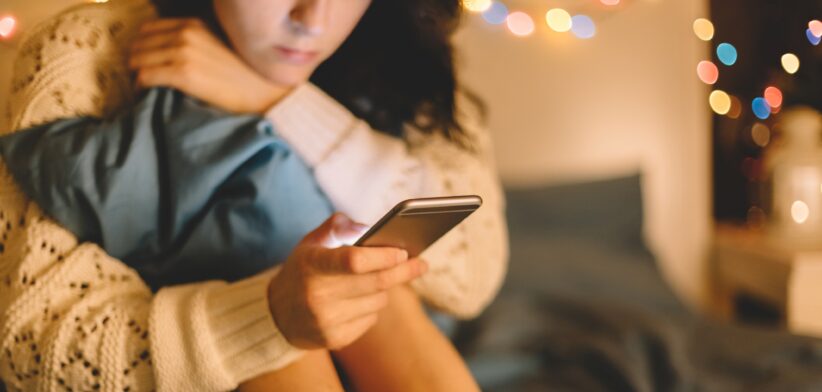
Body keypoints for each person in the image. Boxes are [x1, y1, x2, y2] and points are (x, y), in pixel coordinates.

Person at [0, 0, 508, 390]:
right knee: (293, 341)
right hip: (197, 361)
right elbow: (33, 349)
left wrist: (275, 99)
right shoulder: (90, 48)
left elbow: (474, 276)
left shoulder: (409, 52)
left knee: (371, 281)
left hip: (387, 351)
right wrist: (267, 316)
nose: (312, 19)